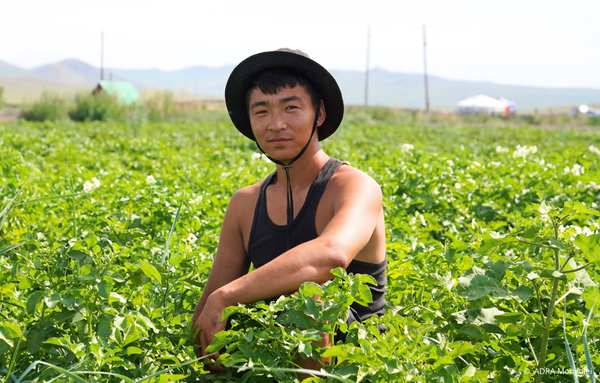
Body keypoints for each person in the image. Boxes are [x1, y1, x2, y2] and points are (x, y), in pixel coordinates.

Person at [192, 48, 387, 371]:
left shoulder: (355, 187)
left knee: (311, 303)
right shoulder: (245, 203)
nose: (276, 124)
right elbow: (207, 316)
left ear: (319, 114)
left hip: (354, 362)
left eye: (291, 108)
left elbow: (332, 255)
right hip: (270, 356)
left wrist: (226, 296)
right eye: (262, 112)